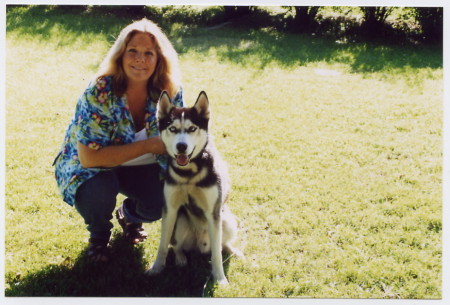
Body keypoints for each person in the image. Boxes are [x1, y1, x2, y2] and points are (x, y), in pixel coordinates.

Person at [53, 18, 184, 262]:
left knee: (165, 199)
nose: (140, 59)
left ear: (159, 59)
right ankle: (99, 237)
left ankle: (130, 216)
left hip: (142, 166)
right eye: (132, 51)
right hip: (92, 167)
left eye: (149, 53)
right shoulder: (99, 91)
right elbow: (89, 158)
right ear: (121, 55)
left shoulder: (170, 92)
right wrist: (148, 145)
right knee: (98, 193)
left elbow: (182, 142)